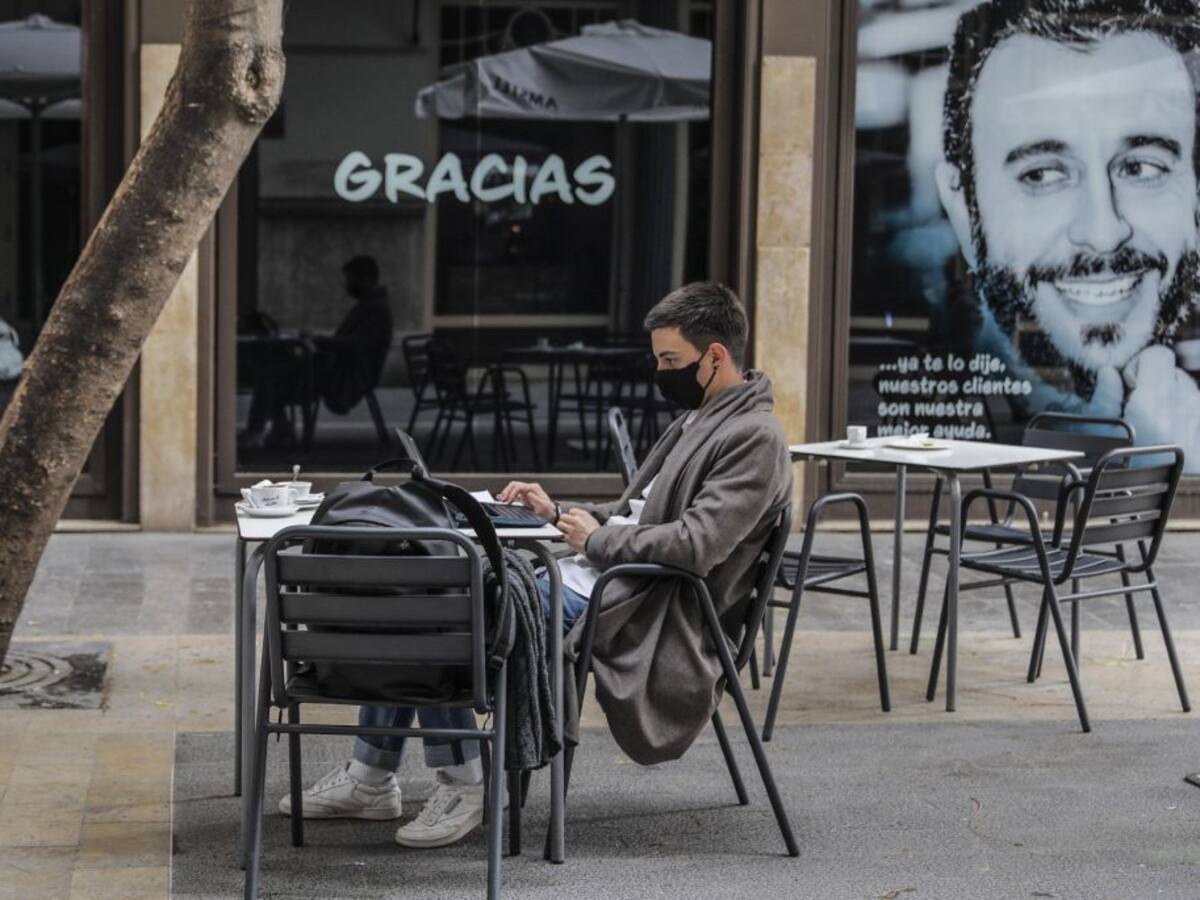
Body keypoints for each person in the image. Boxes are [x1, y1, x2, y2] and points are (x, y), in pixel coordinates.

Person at [279, 281, 793, 849]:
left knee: (454, 606)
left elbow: (696, 545)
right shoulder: (702, 418)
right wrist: (558, 511)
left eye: (671, 360)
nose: (661, 371)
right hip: (602, 575)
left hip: (646, 603)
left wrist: (594, 542)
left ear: (715, 356)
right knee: (421, 582)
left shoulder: (755, 438)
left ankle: (467, 784)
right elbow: (640, 515)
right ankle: (373, 776)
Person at [934, 0, 1200, 468]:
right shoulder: (923, 409)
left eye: (1142, 167)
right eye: (1041, 175)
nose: (1103, 233)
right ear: (961, 207)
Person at [240, 255, 393, 448]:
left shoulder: (376, 310)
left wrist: (320, 341)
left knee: (270, 375)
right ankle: (279, 426)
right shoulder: (369, 306)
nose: (348, 284)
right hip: (338, 370)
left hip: (345, 376)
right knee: (274, 370)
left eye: (351, 279)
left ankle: (259, 430)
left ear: (366, 279)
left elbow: (355, 344)